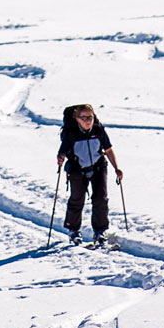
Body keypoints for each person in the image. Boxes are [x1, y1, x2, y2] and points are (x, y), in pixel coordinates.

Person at [56, 103, 123, 245]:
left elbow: (109, 150)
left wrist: (116, 168)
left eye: (90, 117)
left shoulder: (98, 130)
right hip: (77, 168)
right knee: (77, 199)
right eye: (84, 117)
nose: (87, 121)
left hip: (98, 167)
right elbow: (63, 150)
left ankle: (100, 231)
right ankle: (73, 231)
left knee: (101, 199)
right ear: (77, 119)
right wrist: (61, 157)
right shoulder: (71, 133)